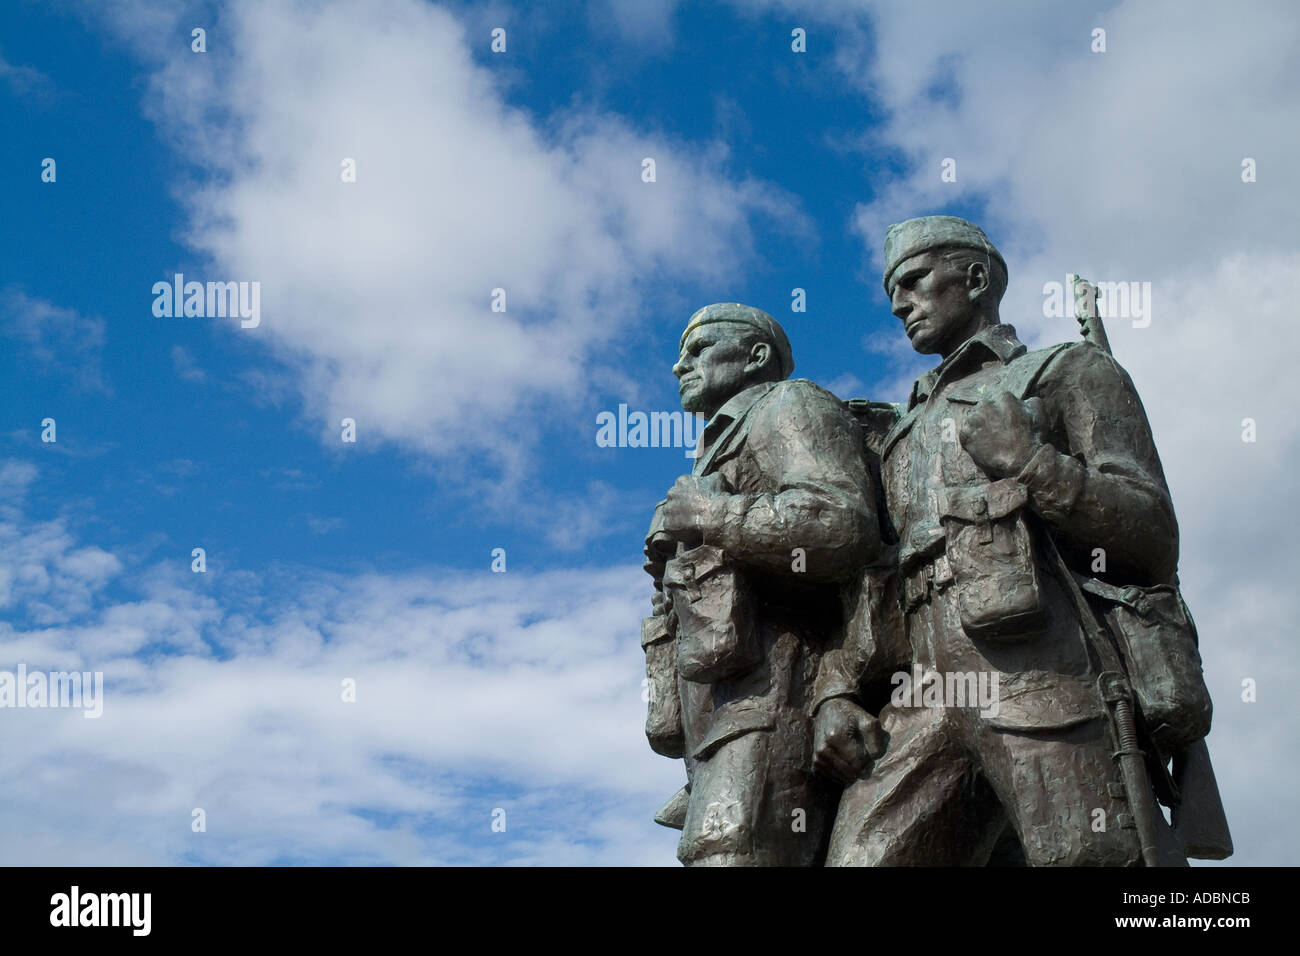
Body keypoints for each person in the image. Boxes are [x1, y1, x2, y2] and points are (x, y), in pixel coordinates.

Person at [824, 216, 1198, 866]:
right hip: (923, 693)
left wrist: (1034, 466)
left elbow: (1153, 532)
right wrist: (838, 687)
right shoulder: (903, 430)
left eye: (913, 281)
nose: (899, 304)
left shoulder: (1066, 371)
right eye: (893, 292)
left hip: (1038, 667)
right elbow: (883, 582)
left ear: (975, 277)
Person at [641, 302, 879, 866]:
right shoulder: (713, 450)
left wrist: (714, 516)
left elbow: (842, 520)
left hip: (776, 698)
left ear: (756, 356)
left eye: (698, 349)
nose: (680, 367)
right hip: (720, 715)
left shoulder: (788, 404)